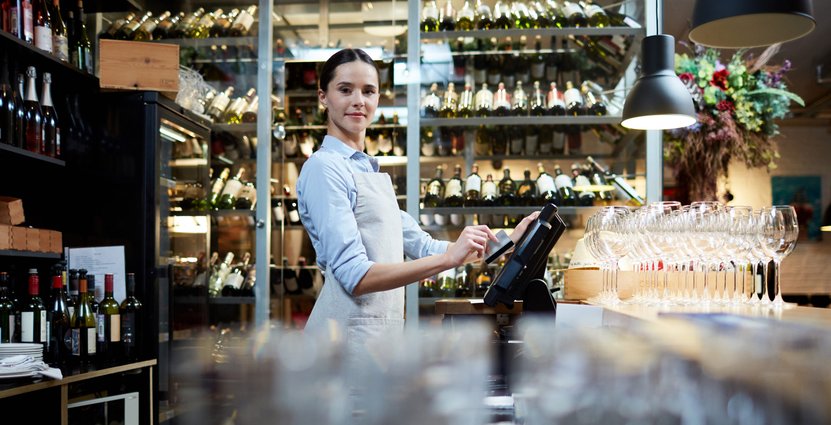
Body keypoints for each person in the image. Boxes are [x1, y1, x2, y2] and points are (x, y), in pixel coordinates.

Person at [296, 48, 538, 341]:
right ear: (323, 96)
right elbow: (355, 277)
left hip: (375, 339)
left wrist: (506, 241)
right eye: (345, 90)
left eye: (369, 91)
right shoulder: (324, 168)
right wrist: (448, 260)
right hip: (341, 342)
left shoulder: (369, 171)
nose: (358, 101)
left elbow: (425, 247)